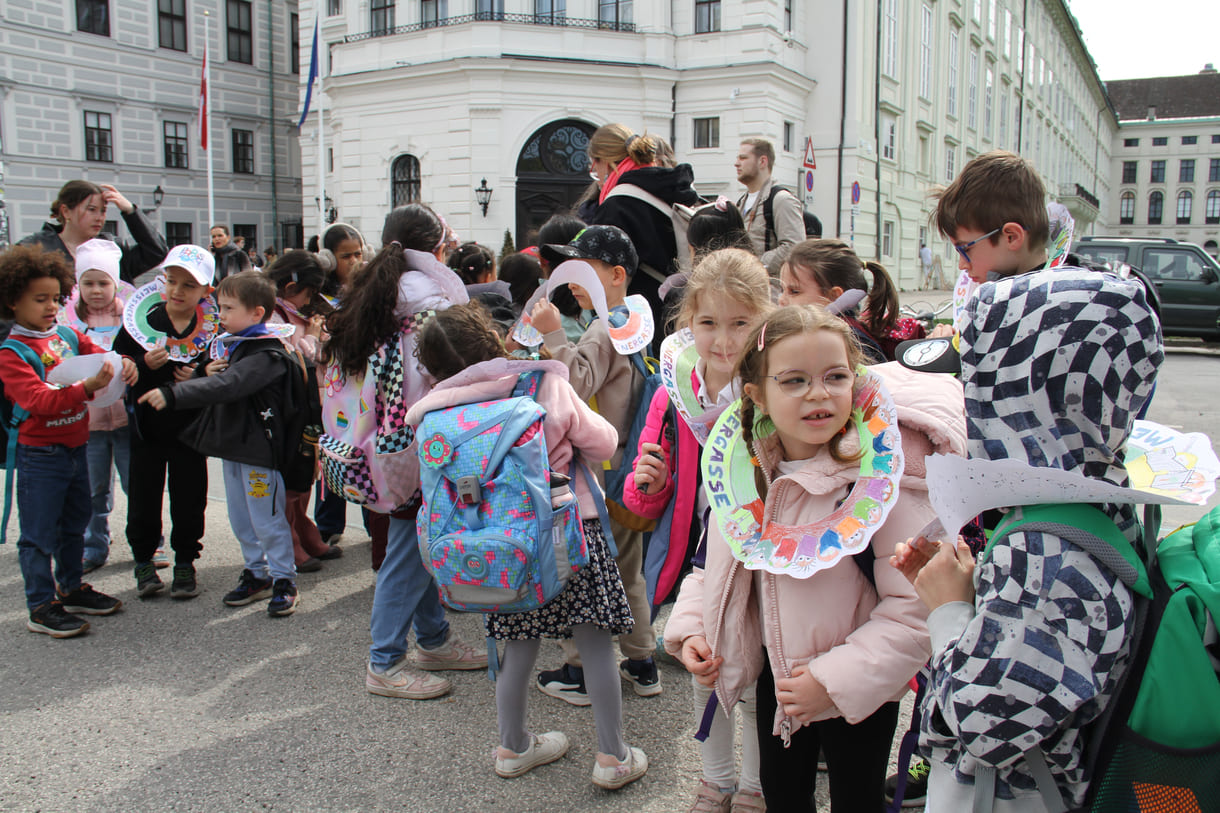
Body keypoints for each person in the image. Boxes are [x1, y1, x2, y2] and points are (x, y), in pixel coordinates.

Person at [889, 149, 1164, 811]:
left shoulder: (1046, 555)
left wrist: (950, 607)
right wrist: (973, 583)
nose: (975, 400)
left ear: (1031, 397)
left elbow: (984, 718)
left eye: (986, 383)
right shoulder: (1080, 498)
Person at [666, 305, 966, 812]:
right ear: (756, 393)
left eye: (835, 376)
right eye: (794, 380)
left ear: (857, 380)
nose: (819, 393)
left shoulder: (880, 483)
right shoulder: (749, 471)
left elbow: (917, 610)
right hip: (777, 684)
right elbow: (717, 561)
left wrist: (832, 682)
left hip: (857, 694)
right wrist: (696, 628)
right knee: (782, 798)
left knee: (856, 801)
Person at [406, 303, 648, 789]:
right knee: (595, 640)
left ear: (432, 369)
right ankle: (613, 756)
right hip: (570, 530)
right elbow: (604, 441)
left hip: (497, 546)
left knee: (515, 645)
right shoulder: (540, 384)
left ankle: (513, 746)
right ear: (493, 342)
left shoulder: (434, 414)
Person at [625, 249, 773, 812]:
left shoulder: (776, 379)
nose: (724, 340)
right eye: (709, 322)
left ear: (765, 317)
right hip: (706, 552)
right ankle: (715, 780)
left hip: (767, 548)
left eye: (741, 322)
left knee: (757, 674)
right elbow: (648, 491)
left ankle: (757, 786)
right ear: (689, 321)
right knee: (703, 661)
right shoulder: (675, 389)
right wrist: (649, 479)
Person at [323, 203, 486, 700]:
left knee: (413, 543)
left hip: (379, 445)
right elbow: (445, 377)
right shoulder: (428, 300)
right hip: (421, 445)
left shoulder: (376, 293)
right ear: (436, 249)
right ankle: (385, 662)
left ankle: (433, 640)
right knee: (408, 552)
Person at [528, 224, 659, 704]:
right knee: (628, 571)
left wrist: (552, 335)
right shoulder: (632, 319)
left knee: (585, 571)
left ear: (618, 274)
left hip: (600, 474)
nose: (571, 279)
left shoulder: (604, 327)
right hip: (628, 466)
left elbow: (576, 384)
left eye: (584, 269)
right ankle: (642, 662)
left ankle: (582, 670)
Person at [138, 271, 306, 616]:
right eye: (220, 307)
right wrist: (202, 373)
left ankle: (284, 579)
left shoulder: (265, 354)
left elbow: (229, 386)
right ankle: (256, 573)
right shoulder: (238, 345)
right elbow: (223, 381)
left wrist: (173, 394)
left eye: (228, 308)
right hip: (235, 449)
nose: (221, 315)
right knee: (241, 518)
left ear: (257, 313)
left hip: (260, 454)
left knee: (267, 518)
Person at [0, 245, 135, 637]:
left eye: (56, 298)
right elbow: (38, 400)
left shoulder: (65, 333)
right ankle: (41, 606)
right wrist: (85, 387)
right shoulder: (12, 353)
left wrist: (119, 361)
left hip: (76, 446)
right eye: (39, 299)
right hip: (40, 454)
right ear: (13, 301)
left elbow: (98, 353)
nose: (50, 307)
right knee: (39, 534)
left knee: (75, 523)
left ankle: (71, 587)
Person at [114, 244, 219, 600]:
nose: (177, 291)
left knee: (190, 496)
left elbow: (218, 370)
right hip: (147, 427)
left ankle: (186, 561)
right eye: (172, 281)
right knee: (143, 495)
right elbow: (120, 365)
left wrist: (200, 374)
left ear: (206, 291)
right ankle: (143, 560)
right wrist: (145, 365)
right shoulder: (140, 321)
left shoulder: (211, 328)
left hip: (190, 430)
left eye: (188, 285)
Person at [587, 124, 701, 345]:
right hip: (681, 308)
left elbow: (602, 275)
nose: (595, 171)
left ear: (607, 160)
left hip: (639, 320)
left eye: (595, 163)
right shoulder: (673, 188)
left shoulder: (617, 204)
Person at [266, 251, 341, 572]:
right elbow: (292, 358)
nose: (310, 300)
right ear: (291, 286)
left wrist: (322, 337)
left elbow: (320, 357)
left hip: (309, 405)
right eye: (308, 293)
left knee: (306, 473)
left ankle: (304, 530)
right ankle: (290, 542)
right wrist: (311, 338)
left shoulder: (296, 314)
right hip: (285, 408)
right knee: (289, 478)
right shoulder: (271, 316)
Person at [67, 240, 136, 573]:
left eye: (103, 282)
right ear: (78, 284)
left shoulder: (132, 318)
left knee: (136, 485)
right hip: (88, 422)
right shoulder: (68, 322)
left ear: (115, 283)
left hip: (127, 419)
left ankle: (150, 543)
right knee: (94, 491)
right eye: (88, 283)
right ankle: (95, 546)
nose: (96, 290)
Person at [779, 238, 925, 362]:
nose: (782, 300)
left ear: (833, 296)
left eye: (794, 292)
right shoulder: (825, 333)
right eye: (781, 290)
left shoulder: (850, 341)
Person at [19, 180, 168, 284]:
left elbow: (156, 252)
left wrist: (130, 211)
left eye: (103, 211)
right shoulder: (35, 249)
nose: (99, 218)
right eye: (91, 210)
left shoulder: (112, 248)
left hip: (110, 328)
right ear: (66, 211)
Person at [734, 138, 805, 276]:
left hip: (770, 290)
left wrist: (753, 265)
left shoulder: (781, 200)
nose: (736, 163)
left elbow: (794, 248)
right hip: (746, 288)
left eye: (743, 158)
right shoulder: (741, 202)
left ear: (762, 161)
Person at [316, 222, 366, 298]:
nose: (354, 261)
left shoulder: (371, 287)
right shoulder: (319, 295)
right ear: (329, 259)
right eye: (346, 256)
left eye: (357, 254)